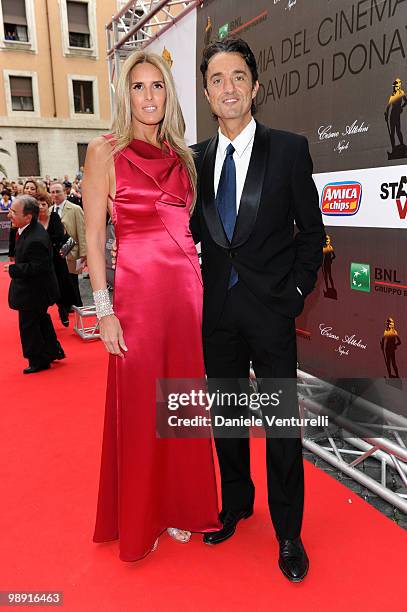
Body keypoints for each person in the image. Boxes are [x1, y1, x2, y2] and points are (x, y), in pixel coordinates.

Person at [190, 39, 325, 582]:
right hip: (217, 315)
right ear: (206, 92)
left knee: (281, 428)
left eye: (238, 76)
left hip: (271, 315)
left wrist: (292, 297)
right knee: (227, 419)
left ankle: (288, 532)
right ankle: (237, 504)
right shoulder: (194, 159)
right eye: (218, 79)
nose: (229, 87)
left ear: (256, 86)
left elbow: (312, 235)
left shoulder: (289, 149)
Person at [82, 49, 220, 562]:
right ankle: (144, 516)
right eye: (138, 87)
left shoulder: (184, 156)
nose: (148, 96)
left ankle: (182, 508)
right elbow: (95, 237)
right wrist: (103, 308)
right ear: (125, 94)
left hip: (186, 295)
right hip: (136, 299)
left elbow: (193, 234)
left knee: (181, 407)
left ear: (169, 94)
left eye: (157, 86)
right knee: (143, 408)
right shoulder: (106, 152)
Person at [4, 195, 65, 373]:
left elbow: (40, 267)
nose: (9, 215)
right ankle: (51, 351)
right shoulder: (27, 230)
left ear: (28, 217)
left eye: (14, 212)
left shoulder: (36, 238)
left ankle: (38, 360)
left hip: (35, 292)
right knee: (40, 320)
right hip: (34, 290)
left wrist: (15, 269)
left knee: (29, 325)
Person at [37, 192, 76, 326]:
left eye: (44, 204)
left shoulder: (54, 217)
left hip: (56, 258)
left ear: (48, 205)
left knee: (59, 285)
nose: (41, 207)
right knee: (41, 287)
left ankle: (62, 309)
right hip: (40, 260)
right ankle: (41, 315)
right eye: (38, 204)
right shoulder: (33, 220)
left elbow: (59, 235)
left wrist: (44, 242)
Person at [49, 181, 87, 307]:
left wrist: (84, 254)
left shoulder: (75, 209)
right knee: (59, 282)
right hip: (56, 254)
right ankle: (66, 307)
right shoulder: (49, 211)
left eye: (58, 191)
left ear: (65, 192)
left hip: (72, 251)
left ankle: (77, 306)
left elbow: (82, 232)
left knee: (73, 282)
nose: (55, 195)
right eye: (52, 192)